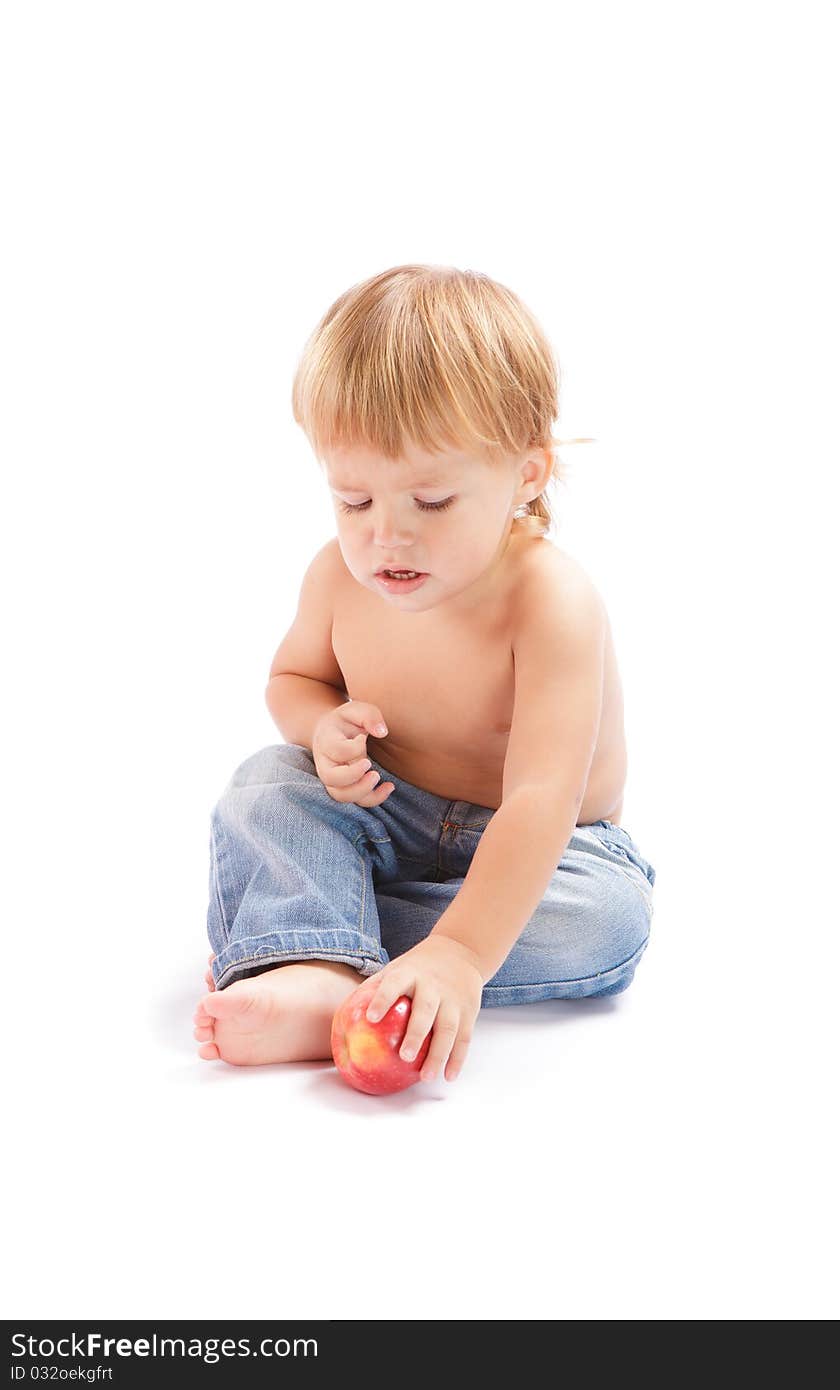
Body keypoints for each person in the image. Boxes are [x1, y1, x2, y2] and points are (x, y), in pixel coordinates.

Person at [193, 262, 656, 1083]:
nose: (386, 539)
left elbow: (541, 801)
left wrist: (464, 952)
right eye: (354, 501)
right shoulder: (338, 576)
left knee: (607, 921)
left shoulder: (551, 601)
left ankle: (321, 950)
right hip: (387, 817)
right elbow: (293, 681)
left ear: (526, 475)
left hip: (551, 845)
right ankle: (325, 959)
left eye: (431, 503)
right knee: (268, 784)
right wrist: (319, 729)